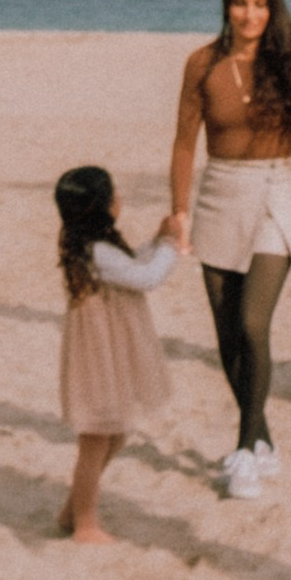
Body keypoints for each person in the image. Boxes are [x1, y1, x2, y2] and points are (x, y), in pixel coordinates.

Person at [163, 0, 291, 501]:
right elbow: (183, 143)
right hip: (219, 194)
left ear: (273, 7)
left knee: (252, 320)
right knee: (226, 337)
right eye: (241, 2)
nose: (250, 14)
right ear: (227, 4)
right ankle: (262, 441)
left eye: (260, 4)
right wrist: (180, 209)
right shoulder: (201, 64)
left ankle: (244, 453)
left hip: (274, 194)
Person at [52, 165, 184, 544]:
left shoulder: (96, 249)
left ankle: (72, 511)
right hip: (99, 359)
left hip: (110, 352)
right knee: (95, 442)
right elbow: (146, 277)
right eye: (114, 195)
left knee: (115, 435)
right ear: (102, 207)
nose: (119, 200)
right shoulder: (97, 252)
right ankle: (85, 524)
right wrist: (172, 245)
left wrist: (157, 241)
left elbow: (130, 265)